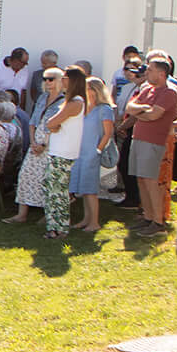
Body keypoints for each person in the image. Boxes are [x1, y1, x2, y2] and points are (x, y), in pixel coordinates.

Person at [123, 56, 177, 234]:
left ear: (162, 73)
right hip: (139, 138)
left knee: (150, 181)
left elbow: (153, 115)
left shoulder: (169, 93)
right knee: (141, 179)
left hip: (153, 141)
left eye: (150, 69)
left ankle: (158, 222)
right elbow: (130, 107)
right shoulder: (147, 89)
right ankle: (148, 216)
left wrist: (141, 111)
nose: (146, 72)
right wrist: (144, 110)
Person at [5, 67, 62, 224]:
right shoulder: (43, 98)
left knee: (48, 179)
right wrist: (33, 142)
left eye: (51, 79)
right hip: (36, 141)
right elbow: (33, 121)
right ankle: (21, 214)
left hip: (52, 143)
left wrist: (44, 143)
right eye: (45, 79)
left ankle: (48, 213)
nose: (47, 82)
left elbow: (58, 125)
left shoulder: (64, 101)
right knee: (26, 175)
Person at [41, 65, 88, 237]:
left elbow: (51, 123)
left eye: (65, 77)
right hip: (60, 150)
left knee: (57, 191)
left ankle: (58, 228)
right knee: (51, 188)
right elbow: (52, 124)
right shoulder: (73, 102)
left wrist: (54, 126)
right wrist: (54, 125)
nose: (62, 80)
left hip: (63, 152)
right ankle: (55, 226)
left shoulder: (75, 102)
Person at [67, 72, 116, 234]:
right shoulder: (86, 108)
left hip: (92, 152)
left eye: (87, 88)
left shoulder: (104, 109)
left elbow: (108, 133)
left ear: (95, 90)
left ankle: (94, 222)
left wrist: (98, 150)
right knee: (82, 188)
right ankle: (86, 219)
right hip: (80, 152)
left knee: (90, 190)